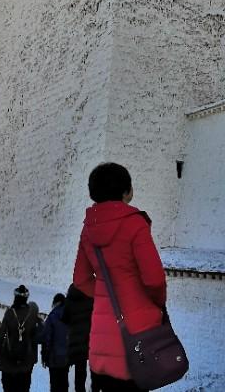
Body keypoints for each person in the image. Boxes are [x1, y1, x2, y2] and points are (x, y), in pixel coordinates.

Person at [72, 163, 166, 392]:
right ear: (127, 191)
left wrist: (106, 295)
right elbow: (154, 279)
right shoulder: (135, 223)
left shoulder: (88, 228)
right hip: (137, 338)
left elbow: (81, 279)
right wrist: (154, 304)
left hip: (101, 343)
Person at [0, 285, 40, 392]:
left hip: (8, 362)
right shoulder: (32, 314)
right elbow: (36, 337)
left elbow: (1, 335)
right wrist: (33, 358)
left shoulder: (10, 313)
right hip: (25, 363)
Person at [61, 285, 97, 392]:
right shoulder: (91, 296)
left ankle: (79, 389)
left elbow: (65, 319)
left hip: (74, 340)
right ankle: (95, 388)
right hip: (89, 338)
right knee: (94, 367)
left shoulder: (70, 298)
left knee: (79, 369)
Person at [38, 294, 68, 392]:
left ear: (56, 302)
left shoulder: (53, 316)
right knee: (63, 383)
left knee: (55, 385)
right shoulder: (70, 315)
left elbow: (46, 337)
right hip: (66, 357)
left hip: (54, 357)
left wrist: (44, 354)